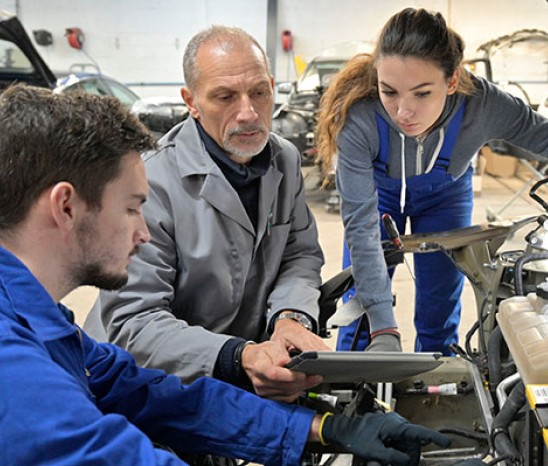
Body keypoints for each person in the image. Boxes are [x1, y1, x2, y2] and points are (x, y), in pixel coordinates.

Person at [0, 84, 451, 465]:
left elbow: (158, 396)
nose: (142, 232)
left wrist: (327, 428)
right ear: (65, 206)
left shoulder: (46, 323)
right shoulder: (14, 371)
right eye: (132, 208)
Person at [316, 8, 548, 355]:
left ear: (451, 81)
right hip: (378, 195)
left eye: (421, 94)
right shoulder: (359, 118)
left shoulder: (483, 105)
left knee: (439, 314)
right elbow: (361, 229)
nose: (404, 111)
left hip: (444, 198)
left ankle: (436, 390)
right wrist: (384, 326)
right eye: (389, 92)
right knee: (362, 312)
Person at [84, 26, 330, 401]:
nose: (248, 113)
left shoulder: (286, 160)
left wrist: (290, 318)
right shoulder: (149, 184)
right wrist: (238, 356)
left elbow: (299, 255)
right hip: (140, 384)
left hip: (240, 366)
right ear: (191, 101)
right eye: (225, 97)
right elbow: (134, 322)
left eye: (260, 92)